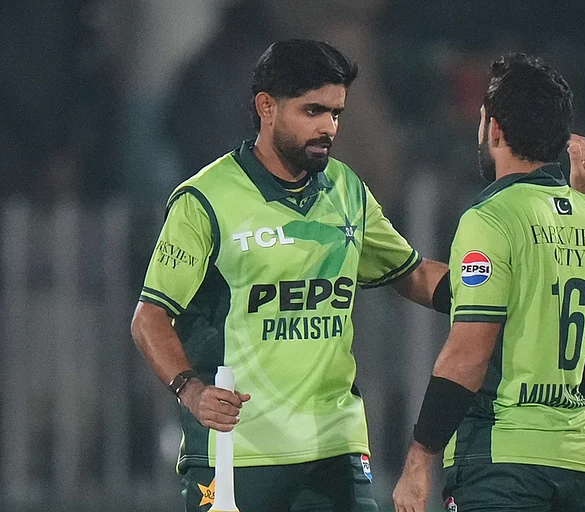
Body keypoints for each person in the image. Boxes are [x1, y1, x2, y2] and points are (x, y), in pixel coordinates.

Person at [130, 39, 449, 512]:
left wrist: (498, 290)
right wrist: (191, 391)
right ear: (266, 107)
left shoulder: (345, 189)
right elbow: (148, 318)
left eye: (336, 114)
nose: (328, 128)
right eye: (313, 110)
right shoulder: (206, 199)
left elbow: (414, 273)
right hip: (237, 454)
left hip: (336, 447)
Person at [392, 52, 585, 512]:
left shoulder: (490, 219)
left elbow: (468, 353)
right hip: (577, 462)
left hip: (503, 462)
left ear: (493, 129)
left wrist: (419, 460)